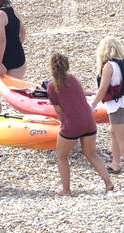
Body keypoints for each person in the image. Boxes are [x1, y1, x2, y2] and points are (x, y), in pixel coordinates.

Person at [46, 52, 115, 196]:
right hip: (89, 121)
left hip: (72, 124)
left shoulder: (52, 86)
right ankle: (108, 183)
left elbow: (58, 111)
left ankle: (66, 190)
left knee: (61, 156)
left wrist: (61, 125)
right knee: (91, 153)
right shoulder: (74, 79)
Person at [90, 36, 124, 177]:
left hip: (118, 107)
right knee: (113, 132)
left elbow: (102, 89)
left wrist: (93, 105)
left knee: (122, 139)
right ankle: (115, 163)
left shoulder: (109, 66)